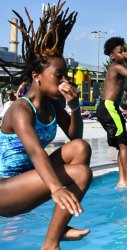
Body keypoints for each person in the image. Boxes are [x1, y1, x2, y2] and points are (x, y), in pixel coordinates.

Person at [0, 2, 93, 249]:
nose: (65, 80)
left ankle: (59, 229)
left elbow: (75, 139)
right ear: (37, 76)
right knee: (82, 173)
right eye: (59, 75)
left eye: (66, 75)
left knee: (81, 149)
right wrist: (56, 189)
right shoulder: (20, 109)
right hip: (5, 190)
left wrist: (74, 107)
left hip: (31, 180)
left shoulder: (52, 105)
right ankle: (50, 244)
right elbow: (35, 151)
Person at [96, 37, 127, 189]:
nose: (124, 53)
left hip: (109, 108)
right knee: (124, 143)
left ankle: (122, 180)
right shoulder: (115, 67)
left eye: (125, 51)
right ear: (112, 56)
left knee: (121, 144)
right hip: (109, 107)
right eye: (121, 52)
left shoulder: (115, 68)